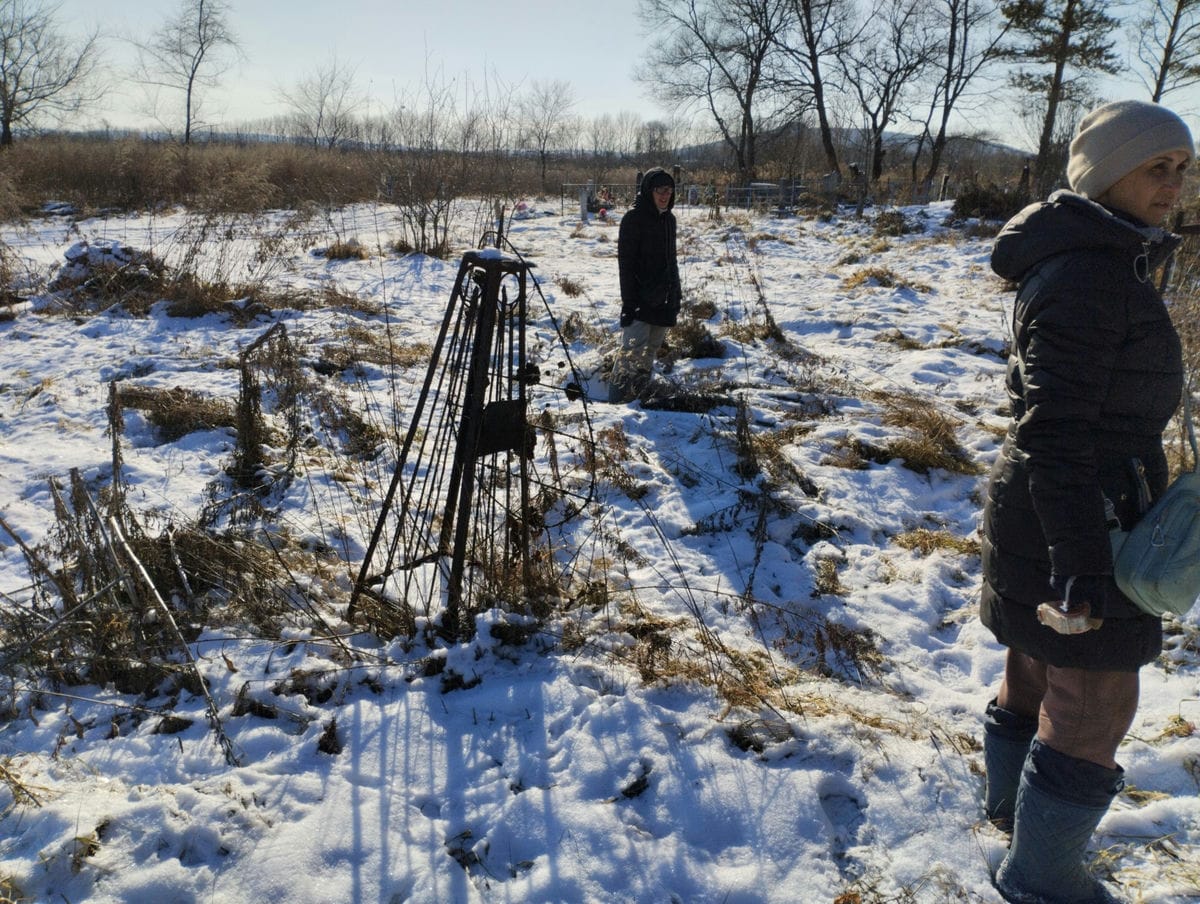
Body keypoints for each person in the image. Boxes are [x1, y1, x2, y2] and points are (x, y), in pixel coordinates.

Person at [980, 99, 1193, 903]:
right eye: (1155, 167)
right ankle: (1043, 877)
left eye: (1182, 168)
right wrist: (1080, 564)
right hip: (1081, 515)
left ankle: (1010, 823)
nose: (1174, 185)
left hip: (1056, 506)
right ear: (1106, 174)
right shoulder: (1092, 276)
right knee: (1096, 698)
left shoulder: (1090, 255)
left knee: (1035, 667)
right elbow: (1059, 429)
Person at [608, 167, 682, 403]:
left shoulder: (669, 220)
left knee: (650, 351)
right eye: (659, 190)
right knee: (630, 354)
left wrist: (675, 296)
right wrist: (629, 303)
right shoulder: (634, 219)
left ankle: (638, 398)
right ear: (648, 190)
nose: (664, 195)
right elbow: (626, 265)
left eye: (669, 190)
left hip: (662, 299)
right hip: (639, 300)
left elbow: (672, 260)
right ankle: (616, 403)